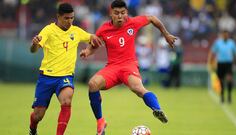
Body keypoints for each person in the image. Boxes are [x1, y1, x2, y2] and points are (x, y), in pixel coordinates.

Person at [80, 0, 177, 134]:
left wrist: (166, 34)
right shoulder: (103, 28)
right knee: (92, 84)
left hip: (128, 65)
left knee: (138, 88)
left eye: (123, 13)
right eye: (116, 13)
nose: (120, 16)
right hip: (112, 67)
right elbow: (94, 45)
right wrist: (87, 51)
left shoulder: (133, 22)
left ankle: (157, 109)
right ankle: (100, 122)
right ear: (111, 14)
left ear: (127, 13)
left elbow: (152, 18)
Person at [29, 3, 102, 135]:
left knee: (67, 100)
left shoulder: (76, 31)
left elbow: (92, 38)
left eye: (72, 18)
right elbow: (33, 50)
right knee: (38, 115)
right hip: (46, 77)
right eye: (66, 18)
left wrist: (89, 48)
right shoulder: (48, 30)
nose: (70, 21)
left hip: (65, 76)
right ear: (58, 16)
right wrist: (34, 44)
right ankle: (32, 129)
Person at [208, 30, 236, 104]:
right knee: (221, 80)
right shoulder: (218, 43)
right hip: (220, 63)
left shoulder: (231, 43)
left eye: (227, 35)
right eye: (224, 35)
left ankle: (229, 95)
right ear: (222, 35)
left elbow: (235, 53)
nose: (225, 36)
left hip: (228, 63)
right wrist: (211, 62)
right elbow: (213, 52)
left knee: (229, 79)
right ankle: (222, 96)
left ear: (228, 35)